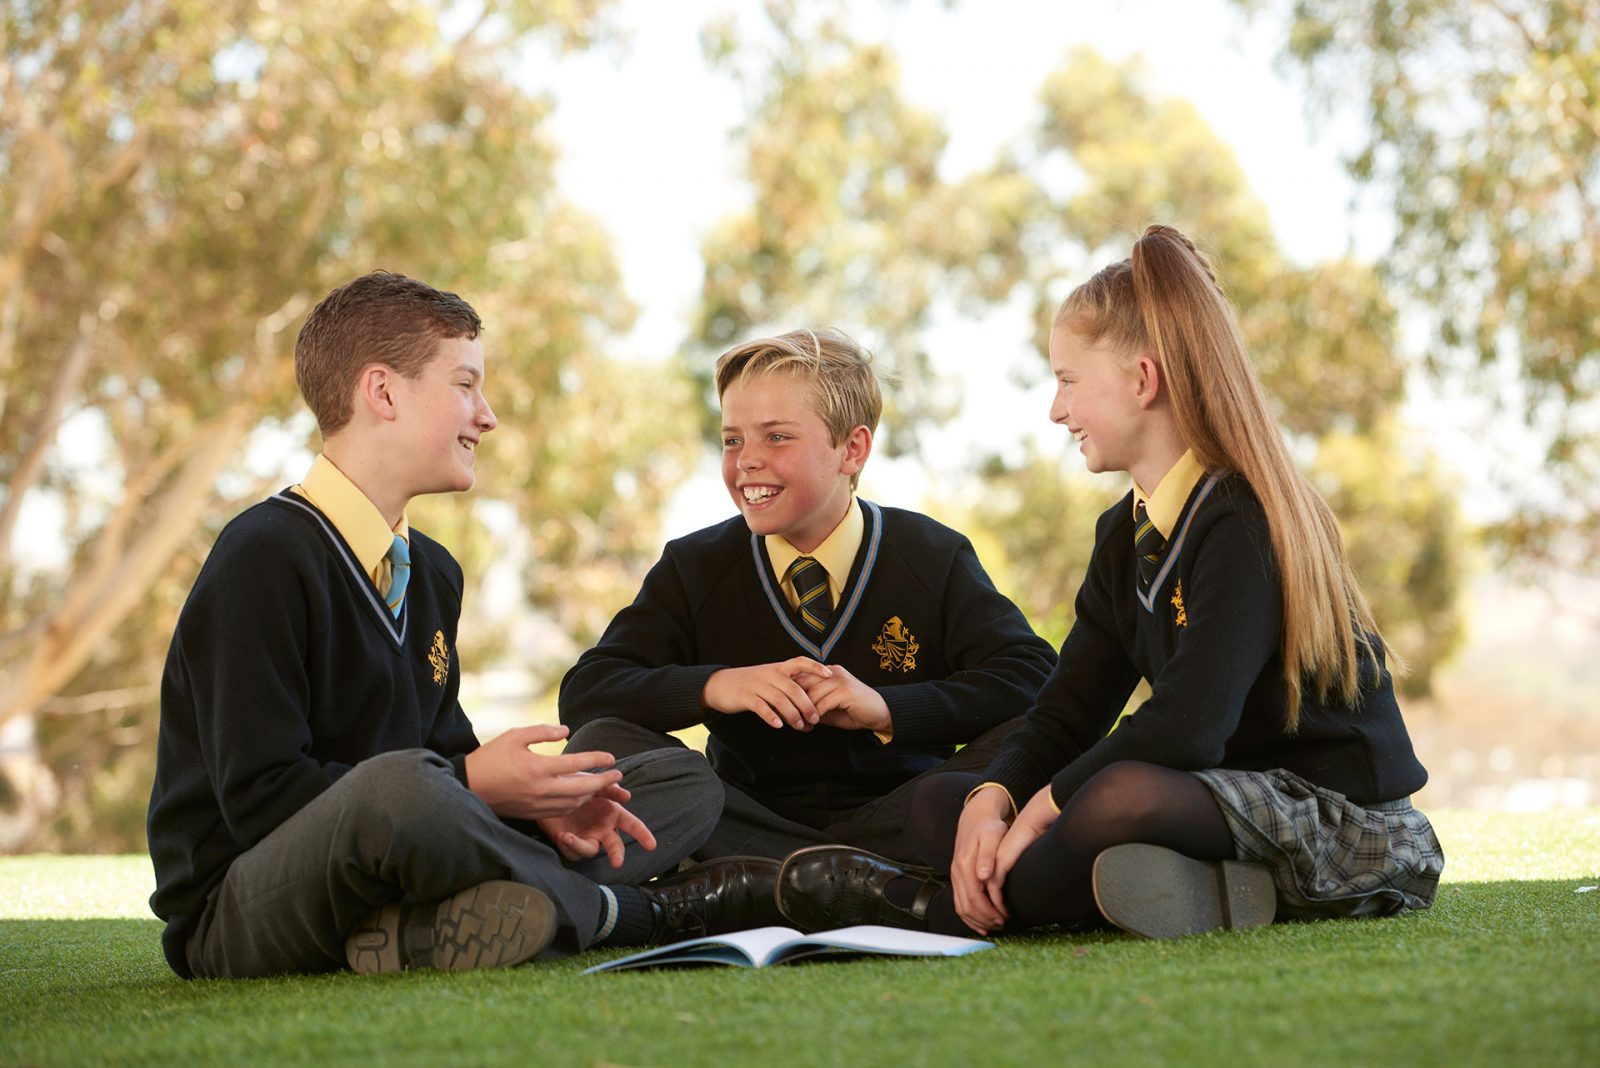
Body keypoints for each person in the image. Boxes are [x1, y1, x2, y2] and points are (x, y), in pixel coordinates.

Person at [775, 226, 1445, 940]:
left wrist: (1039, 811)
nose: (1056, 409)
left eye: (1067, 381)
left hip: (1342, 820)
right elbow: (1067, 711)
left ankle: (915, 907)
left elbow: (1188, 726)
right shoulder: (1123, 537)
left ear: (1142, 381)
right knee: (942, 802)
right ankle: (1189, 886)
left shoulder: (1242, 517)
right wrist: (996, 799)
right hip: (1212, 801)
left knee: (1115, 798)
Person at [146, 271, 775, 980]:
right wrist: (474, 784)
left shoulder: (434, 571)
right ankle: (633, 913)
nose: (487, 416)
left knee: (681, 781)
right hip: (243, 908)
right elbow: (261, 801)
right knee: (402, 789)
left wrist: (539, 808)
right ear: (383, 393)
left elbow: (444, 753)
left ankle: (423, 931)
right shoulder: (263, 555)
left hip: (404, 862)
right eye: (465, 385)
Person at [558, 328, 1056, 864]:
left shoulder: (932, 554)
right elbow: (589, 692)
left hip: (901, 815)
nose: (746, 460)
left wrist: (885, 709)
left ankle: (780, 880)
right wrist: (715, 685)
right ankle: (856, 879)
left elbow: (1034, 678)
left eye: (776, 437)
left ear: (852, 449)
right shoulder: (693, 566)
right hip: (742, 820)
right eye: (732, 440)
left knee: (1041, 735)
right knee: (604, 739)